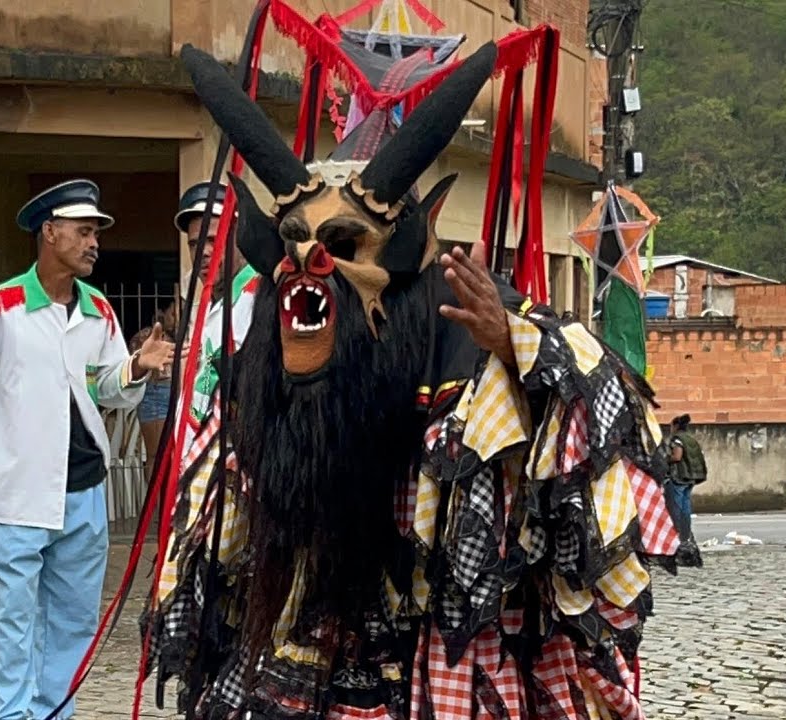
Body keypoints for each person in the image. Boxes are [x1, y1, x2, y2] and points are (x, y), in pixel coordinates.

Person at [142, 43, 698, 719]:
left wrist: (514, 344)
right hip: (317, 642)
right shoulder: (264, 360)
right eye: (295, 245)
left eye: (344, 247)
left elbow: (601, 410)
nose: (313, 265)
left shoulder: (471, 331)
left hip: (447, 651)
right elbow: (226, 524)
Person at [0, 179, 174, 720]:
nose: (93, 241)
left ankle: (57, 711)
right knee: (13, 615)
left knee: (74, 617)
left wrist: (137, 368)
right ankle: (8, 713)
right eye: (82, 231)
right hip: (17, 492)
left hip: (84, 491)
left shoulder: (99, 309)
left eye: (96, 231)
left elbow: (106, 389)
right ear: (49, 233)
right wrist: (7, 444)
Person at [172, 181, 258, 457]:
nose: (203, 253)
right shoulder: (209, 304)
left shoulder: (259, 297)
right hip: (198, 463)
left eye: (213, 240)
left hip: (236, 467)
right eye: (195, 244)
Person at [129, 302, 178, 484]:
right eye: (173, 313)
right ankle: (156, 505)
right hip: (155, 392)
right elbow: (133, 365)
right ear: (160, 314)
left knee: (174, 455)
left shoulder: (180, 334)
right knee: (156, 455)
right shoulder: (146, 336)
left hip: (176, 393)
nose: (176, 319)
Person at [667, 413, 706, 549]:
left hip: (679, 477)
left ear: (676, 426)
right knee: (686, 507)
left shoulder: (677, 439)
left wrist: (665, 459)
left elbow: (677, 456)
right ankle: (686, 535)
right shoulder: (690, 439)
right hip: (690, 478)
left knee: (676, 507)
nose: (670, 429)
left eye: (671, 426)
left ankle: (678, 535)